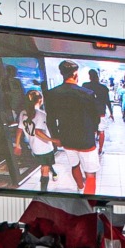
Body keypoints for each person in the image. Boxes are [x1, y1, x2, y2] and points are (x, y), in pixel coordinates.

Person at [43, 60, 104, 196]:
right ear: (75, 74)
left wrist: (56, 137)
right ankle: (89, 200)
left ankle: (80, 187)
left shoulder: (52, 93)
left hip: (66, 139)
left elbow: (50, 119)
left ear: (61, 74)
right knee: (90, 173)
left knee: (74, 165)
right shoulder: (87, 93)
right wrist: (94, 130)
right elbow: (96, 117)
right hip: (86, 140)